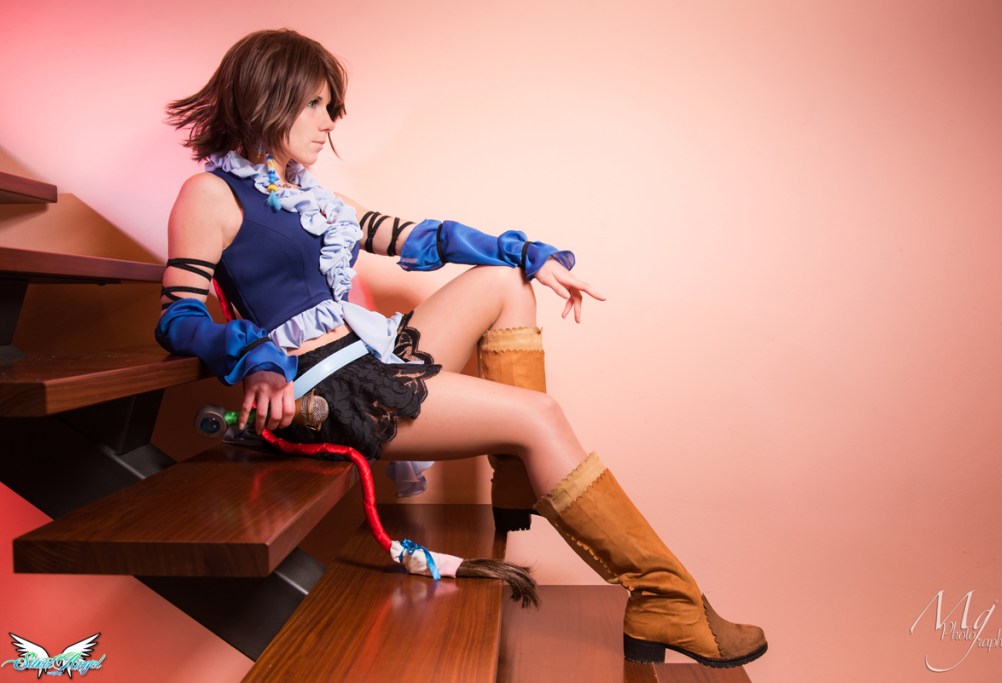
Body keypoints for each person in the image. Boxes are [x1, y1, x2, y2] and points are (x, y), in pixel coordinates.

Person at [157, 28, 767, 668]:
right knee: (539, 416)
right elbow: (178, 317)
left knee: (505, 280)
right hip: (322, 389)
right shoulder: (210, 195)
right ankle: (663, 595)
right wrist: (256, 358)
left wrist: (526, 253)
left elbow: (418, 235)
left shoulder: (313, 196)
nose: (330, 121)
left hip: (368, 354)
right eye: (314, 103)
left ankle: (519, 473)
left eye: (329, 104)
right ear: (267, 97)